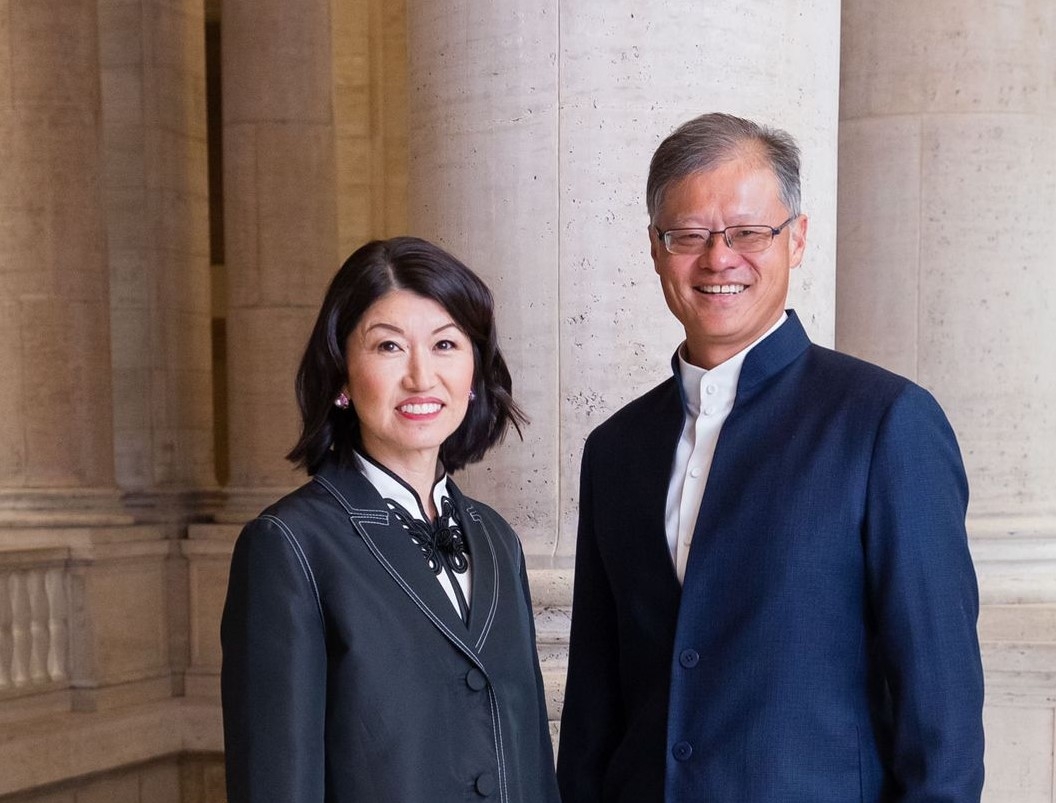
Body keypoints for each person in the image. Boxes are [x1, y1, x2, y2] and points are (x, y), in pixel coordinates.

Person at [556, 113, 985, 802]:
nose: (719, 258)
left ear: (798, 240)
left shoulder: (884, 423)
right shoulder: (615, 449)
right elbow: (594, 708)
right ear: (655, 248)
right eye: (689, 235)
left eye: (749, 232)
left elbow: (941, 716)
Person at [220, 237, 561, 803]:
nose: (422, 377)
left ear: (474, 371)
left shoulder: (498, 539)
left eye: (446, 344)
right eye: (389, 348)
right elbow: (276, 784)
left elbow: (529, 763)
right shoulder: (288, 545)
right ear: (341, 377)